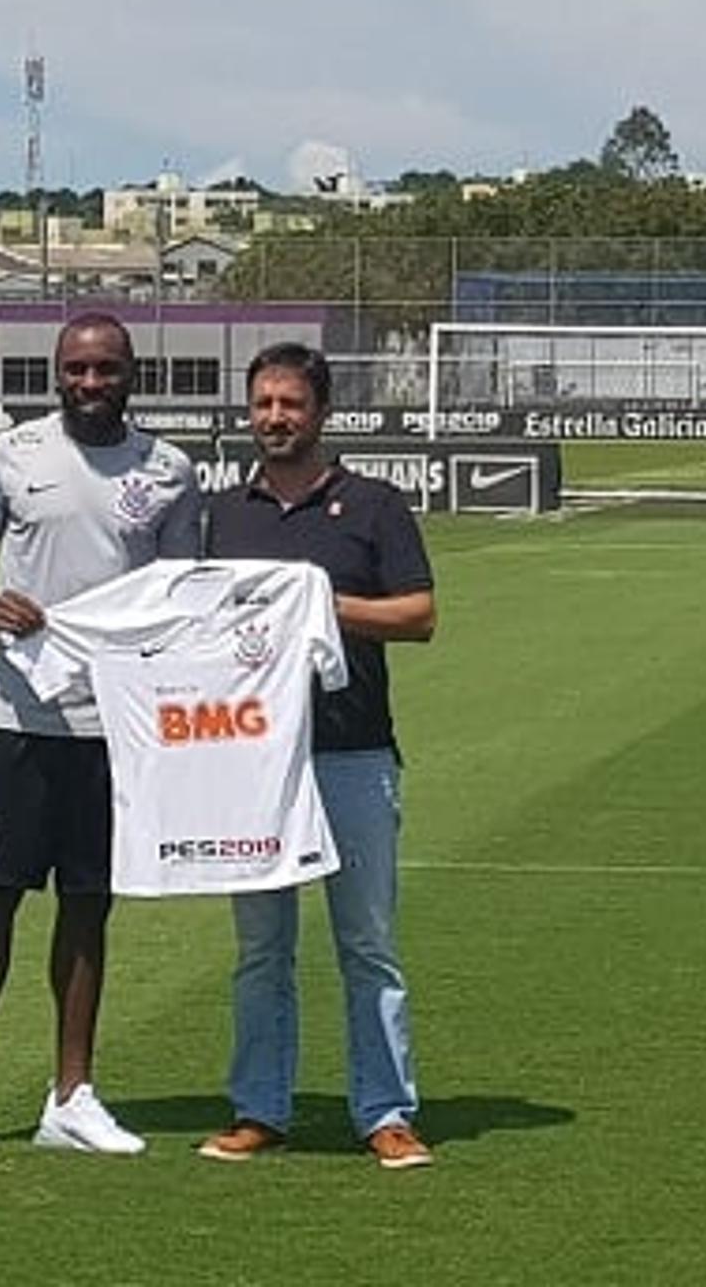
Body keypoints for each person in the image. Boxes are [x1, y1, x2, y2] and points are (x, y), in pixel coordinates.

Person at [0, 311, 201, 1160]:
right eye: (76, 370)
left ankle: (73, 1096)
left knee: (88, 905)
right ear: (56, 373)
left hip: (116, 729)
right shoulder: (11, 456)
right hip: (18, 719)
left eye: (106, 370)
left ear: (131, 374)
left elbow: (181, 597)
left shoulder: (170, 471)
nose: (91, 384)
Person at [198, 341, 438, 1170]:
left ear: (321, 411)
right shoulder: (225, 514)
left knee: (366, 943)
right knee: (261, 947)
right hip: (252, 764)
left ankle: (386, 1112)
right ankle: (260, 1108)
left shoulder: (373, 505)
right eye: (263, 403)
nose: (274, 418)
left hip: (351, 753)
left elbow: (419, 615)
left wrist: (323, 607)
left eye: (289, 404)